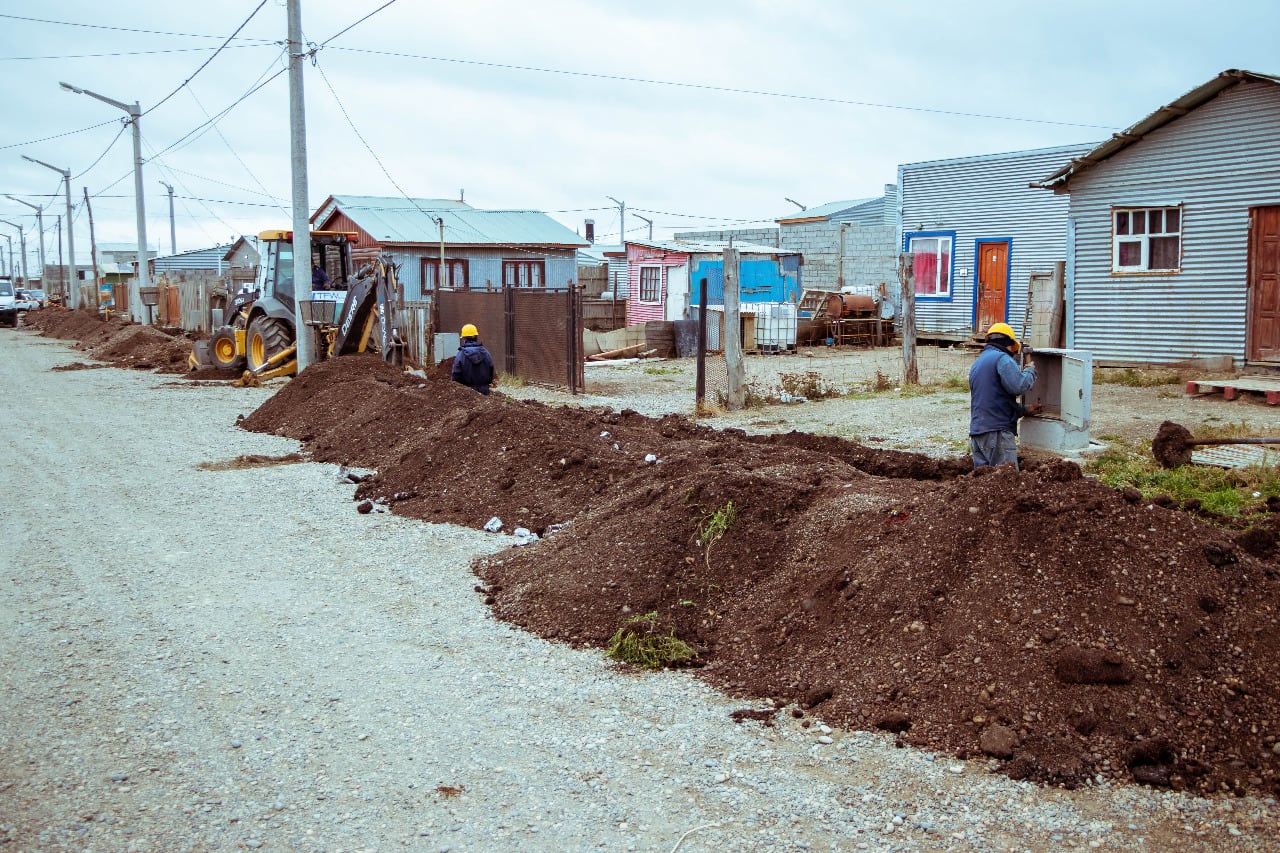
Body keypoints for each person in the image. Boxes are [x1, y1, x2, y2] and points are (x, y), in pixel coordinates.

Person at [968, 322, 1039, 469]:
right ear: (1008, 343)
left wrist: (1024, 410)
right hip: (997, 434)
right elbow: (1019, 385)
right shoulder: (1002, 359)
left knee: (983, 484)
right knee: (1007, 483)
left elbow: (993, 400)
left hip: (978, 434)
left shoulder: (978, 363)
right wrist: (1029, 371)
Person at [451, 322, 495, 395]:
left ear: (464, 339)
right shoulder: (486, 353)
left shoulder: (461, 355)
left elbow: (456, 375)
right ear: (476, 337)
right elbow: (491, 370)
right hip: (484, 391)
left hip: (466, 394)